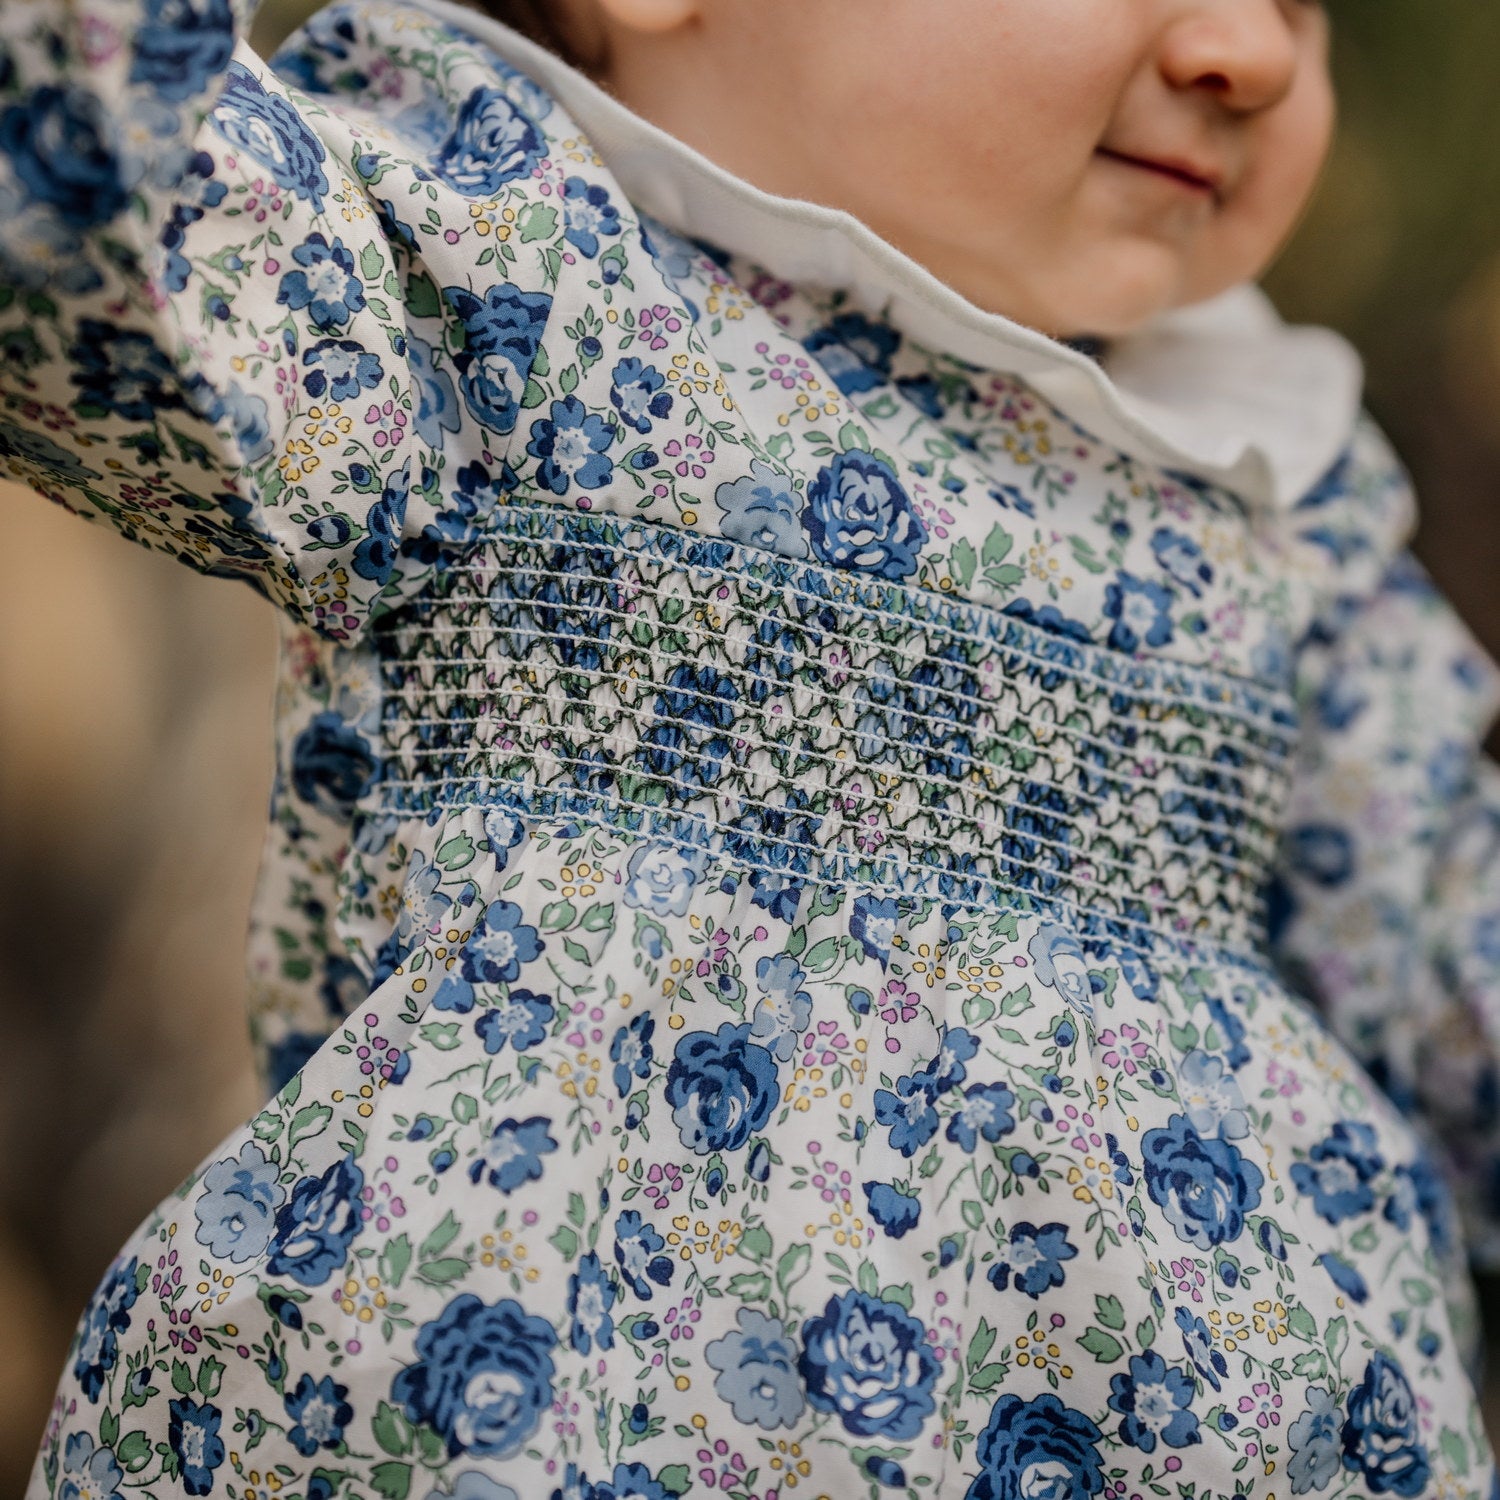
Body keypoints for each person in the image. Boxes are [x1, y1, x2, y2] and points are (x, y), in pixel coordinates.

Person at [5, 0, 1498, 1494]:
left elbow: (1446, 946)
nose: (1248, 51)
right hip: (562, 1403)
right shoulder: (493, 266)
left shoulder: (1279, 495)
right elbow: (98, 190)